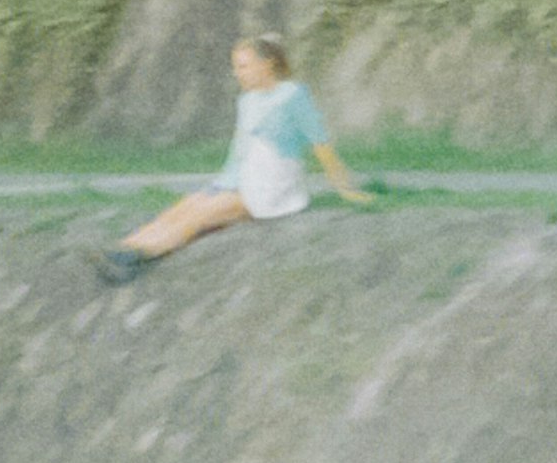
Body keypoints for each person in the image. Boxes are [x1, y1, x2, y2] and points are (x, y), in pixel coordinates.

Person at [98, 35, 370, 283]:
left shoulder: (294, 95)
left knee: (202, 214)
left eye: (244, 66)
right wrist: (221, 185)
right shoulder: (247, 101)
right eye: (237, 67)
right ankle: (124, 247)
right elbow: (241, 151)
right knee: (187, 204)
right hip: (242, 180)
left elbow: (321, 143)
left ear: (268, 64)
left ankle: (138, 256)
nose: (238, 73)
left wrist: (345, 187)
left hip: (272, 188)